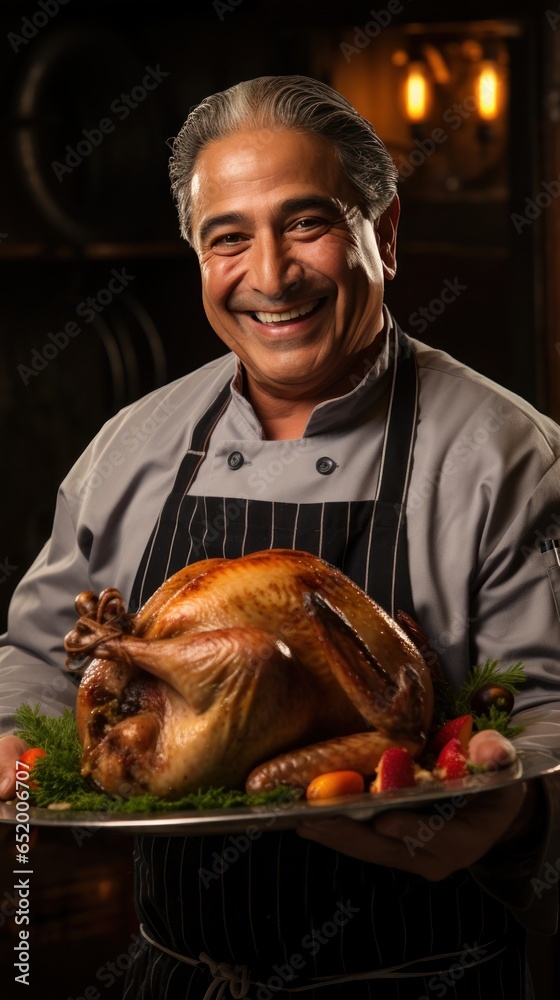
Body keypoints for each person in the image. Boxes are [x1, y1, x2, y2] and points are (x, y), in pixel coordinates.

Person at [1, 74, 560, 999]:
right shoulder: (133, 446)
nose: (270, 274)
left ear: (383, 236)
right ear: (198, 256)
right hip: (175, 979)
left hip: (415, 976)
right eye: (229, 237)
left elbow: (547, 717)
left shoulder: (505, 457)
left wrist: (518, 813)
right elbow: (34, 659)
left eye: (308, 224)